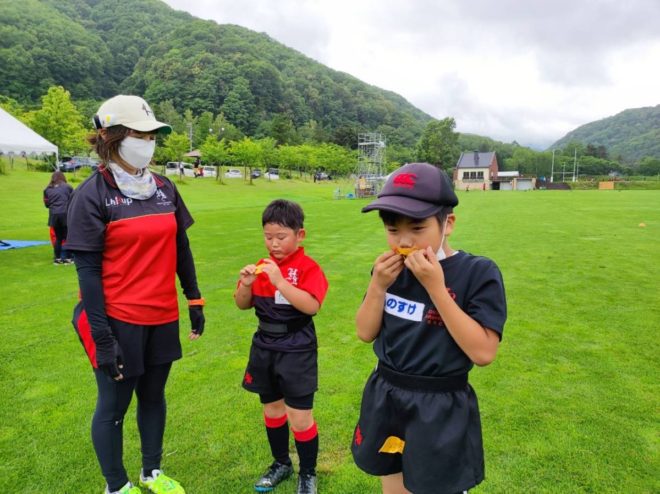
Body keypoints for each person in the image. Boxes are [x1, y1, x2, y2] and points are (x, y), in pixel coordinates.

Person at [66, 95, 206, 494]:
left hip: (162, 315)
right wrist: (103, 338)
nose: (147, 142)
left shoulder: (164, 187)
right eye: (138, 134)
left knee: (153, 397)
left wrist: (193, 298)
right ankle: (117, 486)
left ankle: (151, 472)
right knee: (113, 407)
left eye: (151, 135)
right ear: (110, 137)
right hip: (118, 318)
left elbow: (180, 247)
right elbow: (88, 273)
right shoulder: (91, 194)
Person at [351, 163, 507, 494]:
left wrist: (436, 287)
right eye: (393, 230)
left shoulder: (477, 273)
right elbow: (365, 332)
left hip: (440, 406)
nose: (404, 241)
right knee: (393, 485)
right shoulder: (389, 272)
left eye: (417, 228)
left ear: (447, 223)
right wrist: (378, 286)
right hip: (388, 395)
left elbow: (483, 352)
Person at [235, 199, 329, 494]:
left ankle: (308, 474)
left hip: (297, 348)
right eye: (268, 237)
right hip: (265, 346)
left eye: (281, 237)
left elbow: (311, 306)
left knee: (300, 418)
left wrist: (279, 281)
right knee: (273, 410)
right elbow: (242, 304)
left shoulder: (308, 268)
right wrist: (246, 284)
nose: (273, 244)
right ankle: (281, 463)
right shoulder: (262, 267)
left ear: (300, 235)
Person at [43, 170, 74, 264]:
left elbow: (46, 204)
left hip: (54, 215)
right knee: (68, 237)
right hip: (65, 214)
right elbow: (73, 200)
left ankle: (57, 259)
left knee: (58, 238)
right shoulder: (68, 187)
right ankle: (68, 258)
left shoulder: (47, 189)